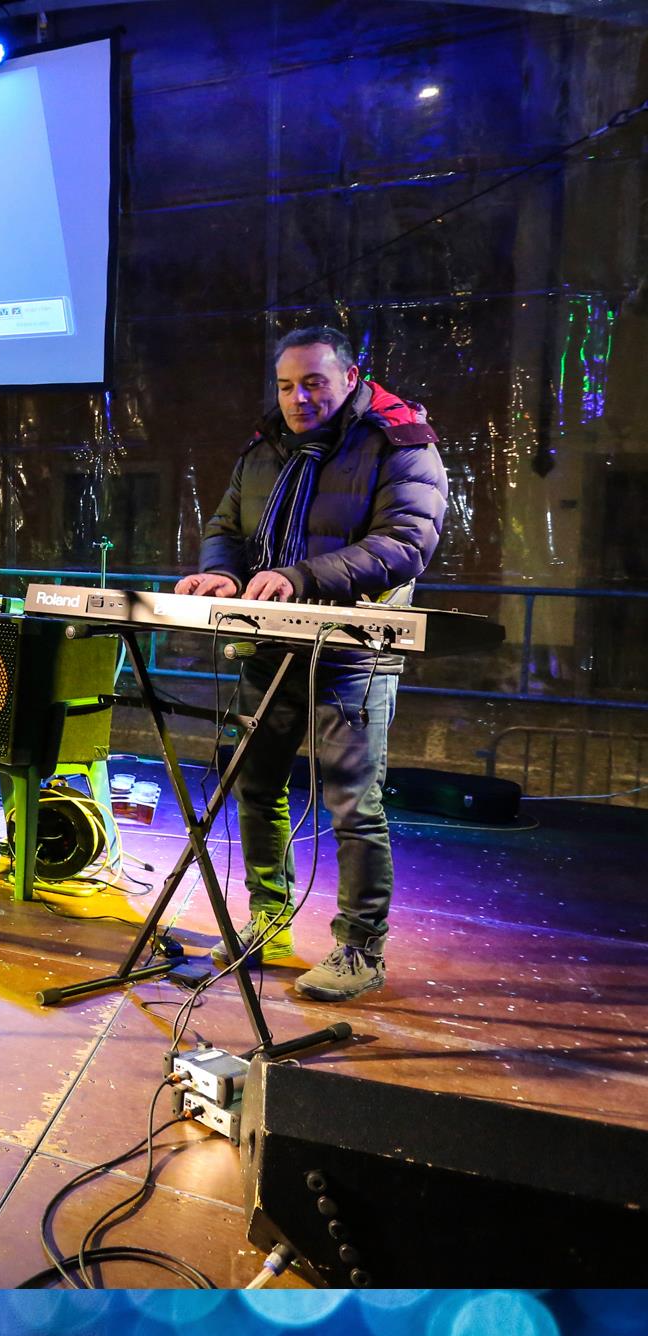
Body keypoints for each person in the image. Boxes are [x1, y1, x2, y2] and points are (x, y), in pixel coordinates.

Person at [176, 325, 446, 1001]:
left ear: (350, 378)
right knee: (256, 784)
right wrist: (221, 574)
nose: (299, 398)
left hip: (353, 655)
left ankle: (360, 949)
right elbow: (226, 528)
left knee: (353, 802)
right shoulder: (266, 446)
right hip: (271, 646)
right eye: (286, 386)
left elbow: (406, 543)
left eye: (314, 383)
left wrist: (301, 578)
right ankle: (268, 921)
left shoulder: (400, 441)